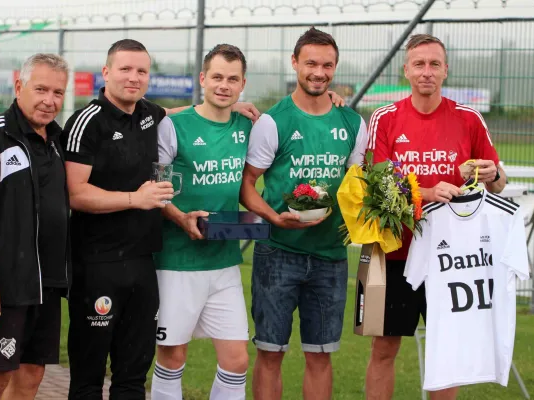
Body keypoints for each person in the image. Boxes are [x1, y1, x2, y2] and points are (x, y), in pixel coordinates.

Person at [62, 39, 262, 400]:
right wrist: (146, 203)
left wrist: (230, 104)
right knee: (95, 373)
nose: (133, 77)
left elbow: (174, 113)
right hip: (109, 262)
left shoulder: (150, 114)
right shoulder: (88, 120)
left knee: (135, 372)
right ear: (106, 72)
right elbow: (75, 193)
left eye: (141, 71)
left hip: (149, 261)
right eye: (125, 69)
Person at [365, 33, 506, 400]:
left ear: (446, 70)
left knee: (447, 350)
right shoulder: (385, 118)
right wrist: (427, 194)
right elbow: (375, 191)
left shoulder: (469, 118)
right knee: (383, 349)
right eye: (419, 64)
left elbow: (499, 183)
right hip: (391, 251)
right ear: (406, 71)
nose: (426, 72)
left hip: (452, 256)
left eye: (434, 64)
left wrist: (493, 174)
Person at [240, 27, 369, 400]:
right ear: (294, 62)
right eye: (311, 62)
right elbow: (247, 186)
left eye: (327, 65)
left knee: (320, 357)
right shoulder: (273, 121)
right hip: (278, 251)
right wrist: (273, 217)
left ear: (335, 68)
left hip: (330, 256)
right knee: (269, 353)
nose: (319, 72)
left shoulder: (352, 123)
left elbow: (354, 184)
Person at [0, 53, 70, 400]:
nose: (50, 101)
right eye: (41, 89)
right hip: (3, 285)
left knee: (32, 374)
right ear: (19, 85)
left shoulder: (57, 140)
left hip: (46, 284)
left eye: (58, 93)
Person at [150, 43, 252, 400]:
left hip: (224, 261)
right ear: (203, 79)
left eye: (233, 79)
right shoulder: (172, 126)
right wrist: (181, 218)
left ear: (243, 85)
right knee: (173, 356)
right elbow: (156, 188)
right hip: (176, 261)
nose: (224, 85)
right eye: (218, 77)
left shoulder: (248, 125)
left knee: (237, 360)